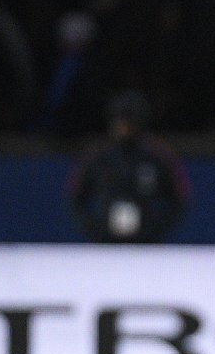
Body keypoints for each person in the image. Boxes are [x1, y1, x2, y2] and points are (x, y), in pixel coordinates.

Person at [67, 90, 190, 243]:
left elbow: (180, 199)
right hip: (105, 241)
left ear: (141, 121)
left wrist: (156, 230)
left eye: (129, 121)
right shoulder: (97, 156)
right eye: (120, 120)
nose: (124, 127)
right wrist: (94, 229)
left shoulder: (159, 155)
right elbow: (75, 198)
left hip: (146, 243)